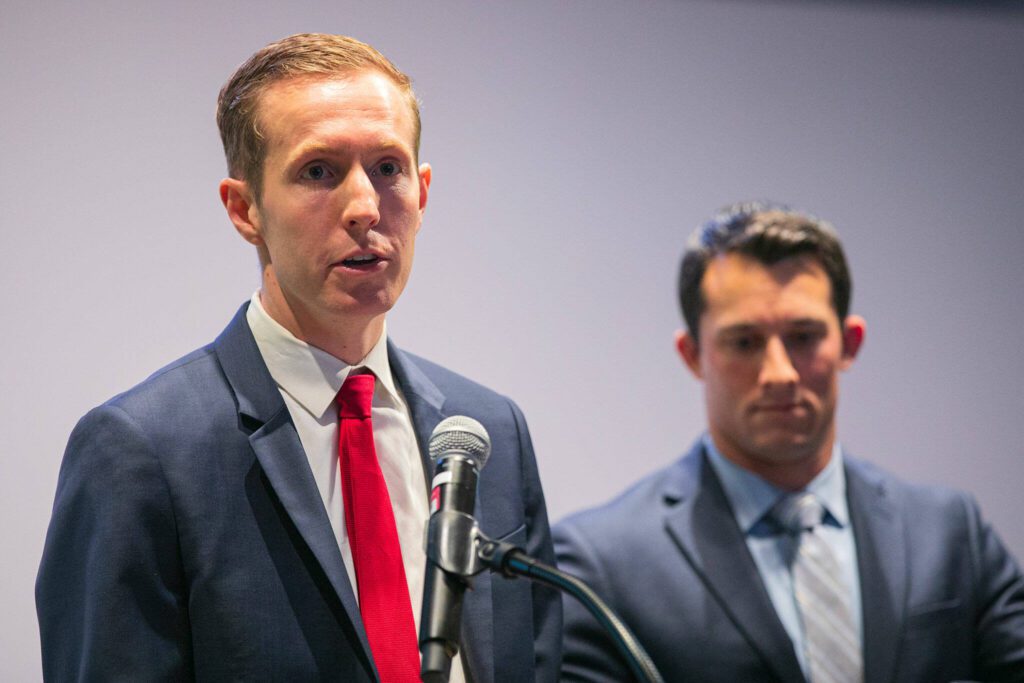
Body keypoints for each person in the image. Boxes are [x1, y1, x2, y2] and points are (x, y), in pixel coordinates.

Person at [36, 33, 560, 682]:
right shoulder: (143, 452)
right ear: (244, 208)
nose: (365, 206)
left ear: (423, 192)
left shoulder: (490, 432)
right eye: (319, 172)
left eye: (388, 168)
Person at [553, 202, 1024, 682]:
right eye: (744, 342)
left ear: (849, 343)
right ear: (692, 355)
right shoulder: (599, 567)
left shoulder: (949, 535)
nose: (779, 373)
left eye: (803, 337)